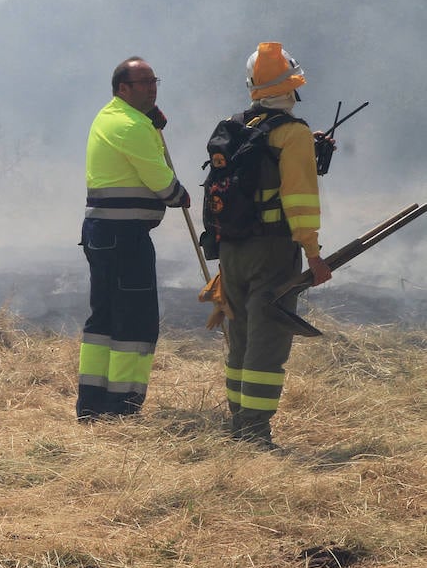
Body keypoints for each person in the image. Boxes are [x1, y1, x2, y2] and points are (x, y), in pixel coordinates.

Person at [208, 42, 332, 448]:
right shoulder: (292, 134)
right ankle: (256, 433)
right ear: (293, 84)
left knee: (240, 337)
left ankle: (237, 425)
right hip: (273, 252)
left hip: (232, 251)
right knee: (268, 339)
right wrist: (313, 256)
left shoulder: (235, 125)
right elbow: (299, 200)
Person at [77, 57, 189, 420]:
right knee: (136, 321)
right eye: (143, 83)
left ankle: (91, 404)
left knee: (104, 319)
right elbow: (161, 181)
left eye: (155, 81)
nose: (152, 88)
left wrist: (152, 126)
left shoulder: (109, 117)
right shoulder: (131, 125)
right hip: (125, 236)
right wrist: (178, 194)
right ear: (123, 89)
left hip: (101, 232)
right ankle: (122, 408)